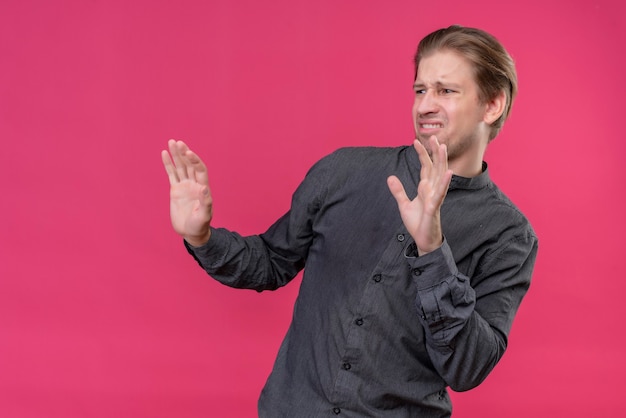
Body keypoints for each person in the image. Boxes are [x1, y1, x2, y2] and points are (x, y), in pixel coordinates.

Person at [161, 25, 538, 417]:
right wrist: (201, 236)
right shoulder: (343, 171)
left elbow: (467, 368)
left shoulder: (509, 235)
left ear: (492, 104)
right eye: (420, 90)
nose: (425, 105)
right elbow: (270, 262)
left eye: (446, 91)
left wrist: (432, 252)